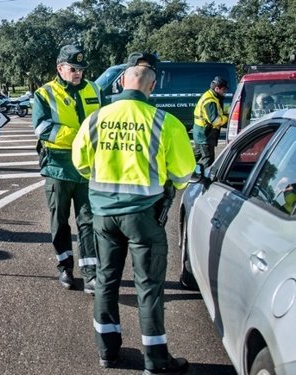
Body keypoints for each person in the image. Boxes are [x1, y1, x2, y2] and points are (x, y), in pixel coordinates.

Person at [72, 52, 196, 374]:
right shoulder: (164, 122)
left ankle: (107, 352)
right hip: (144, 217)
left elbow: (82, 164)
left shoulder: (96, 119)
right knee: (149, 287)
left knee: (106, 280)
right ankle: (155, 360)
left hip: (103, 216)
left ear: (123, 80)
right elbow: (183, 173)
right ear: (151, 87)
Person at [32, 44, 101, 293]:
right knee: (60, 222)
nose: (78, 73)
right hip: (58, 168)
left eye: (81, 69)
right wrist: (81, 136)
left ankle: (91, 274)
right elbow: (43, 128)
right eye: (73, 69)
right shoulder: (44, 94)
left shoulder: (95, 88)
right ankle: (65, 268)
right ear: (60, 68)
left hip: (87, 169)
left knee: (89, 222)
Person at [193, 76, 229, 168]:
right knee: (208, 158)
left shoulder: (211, 95)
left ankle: (182, 172)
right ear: (217, 88)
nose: (224, 92)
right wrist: (227, 118)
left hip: (200, 132)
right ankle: (204, 178)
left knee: (195, 156)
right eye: (223, 89)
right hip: (205, 134)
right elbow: (215, 121)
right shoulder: (210, 101)